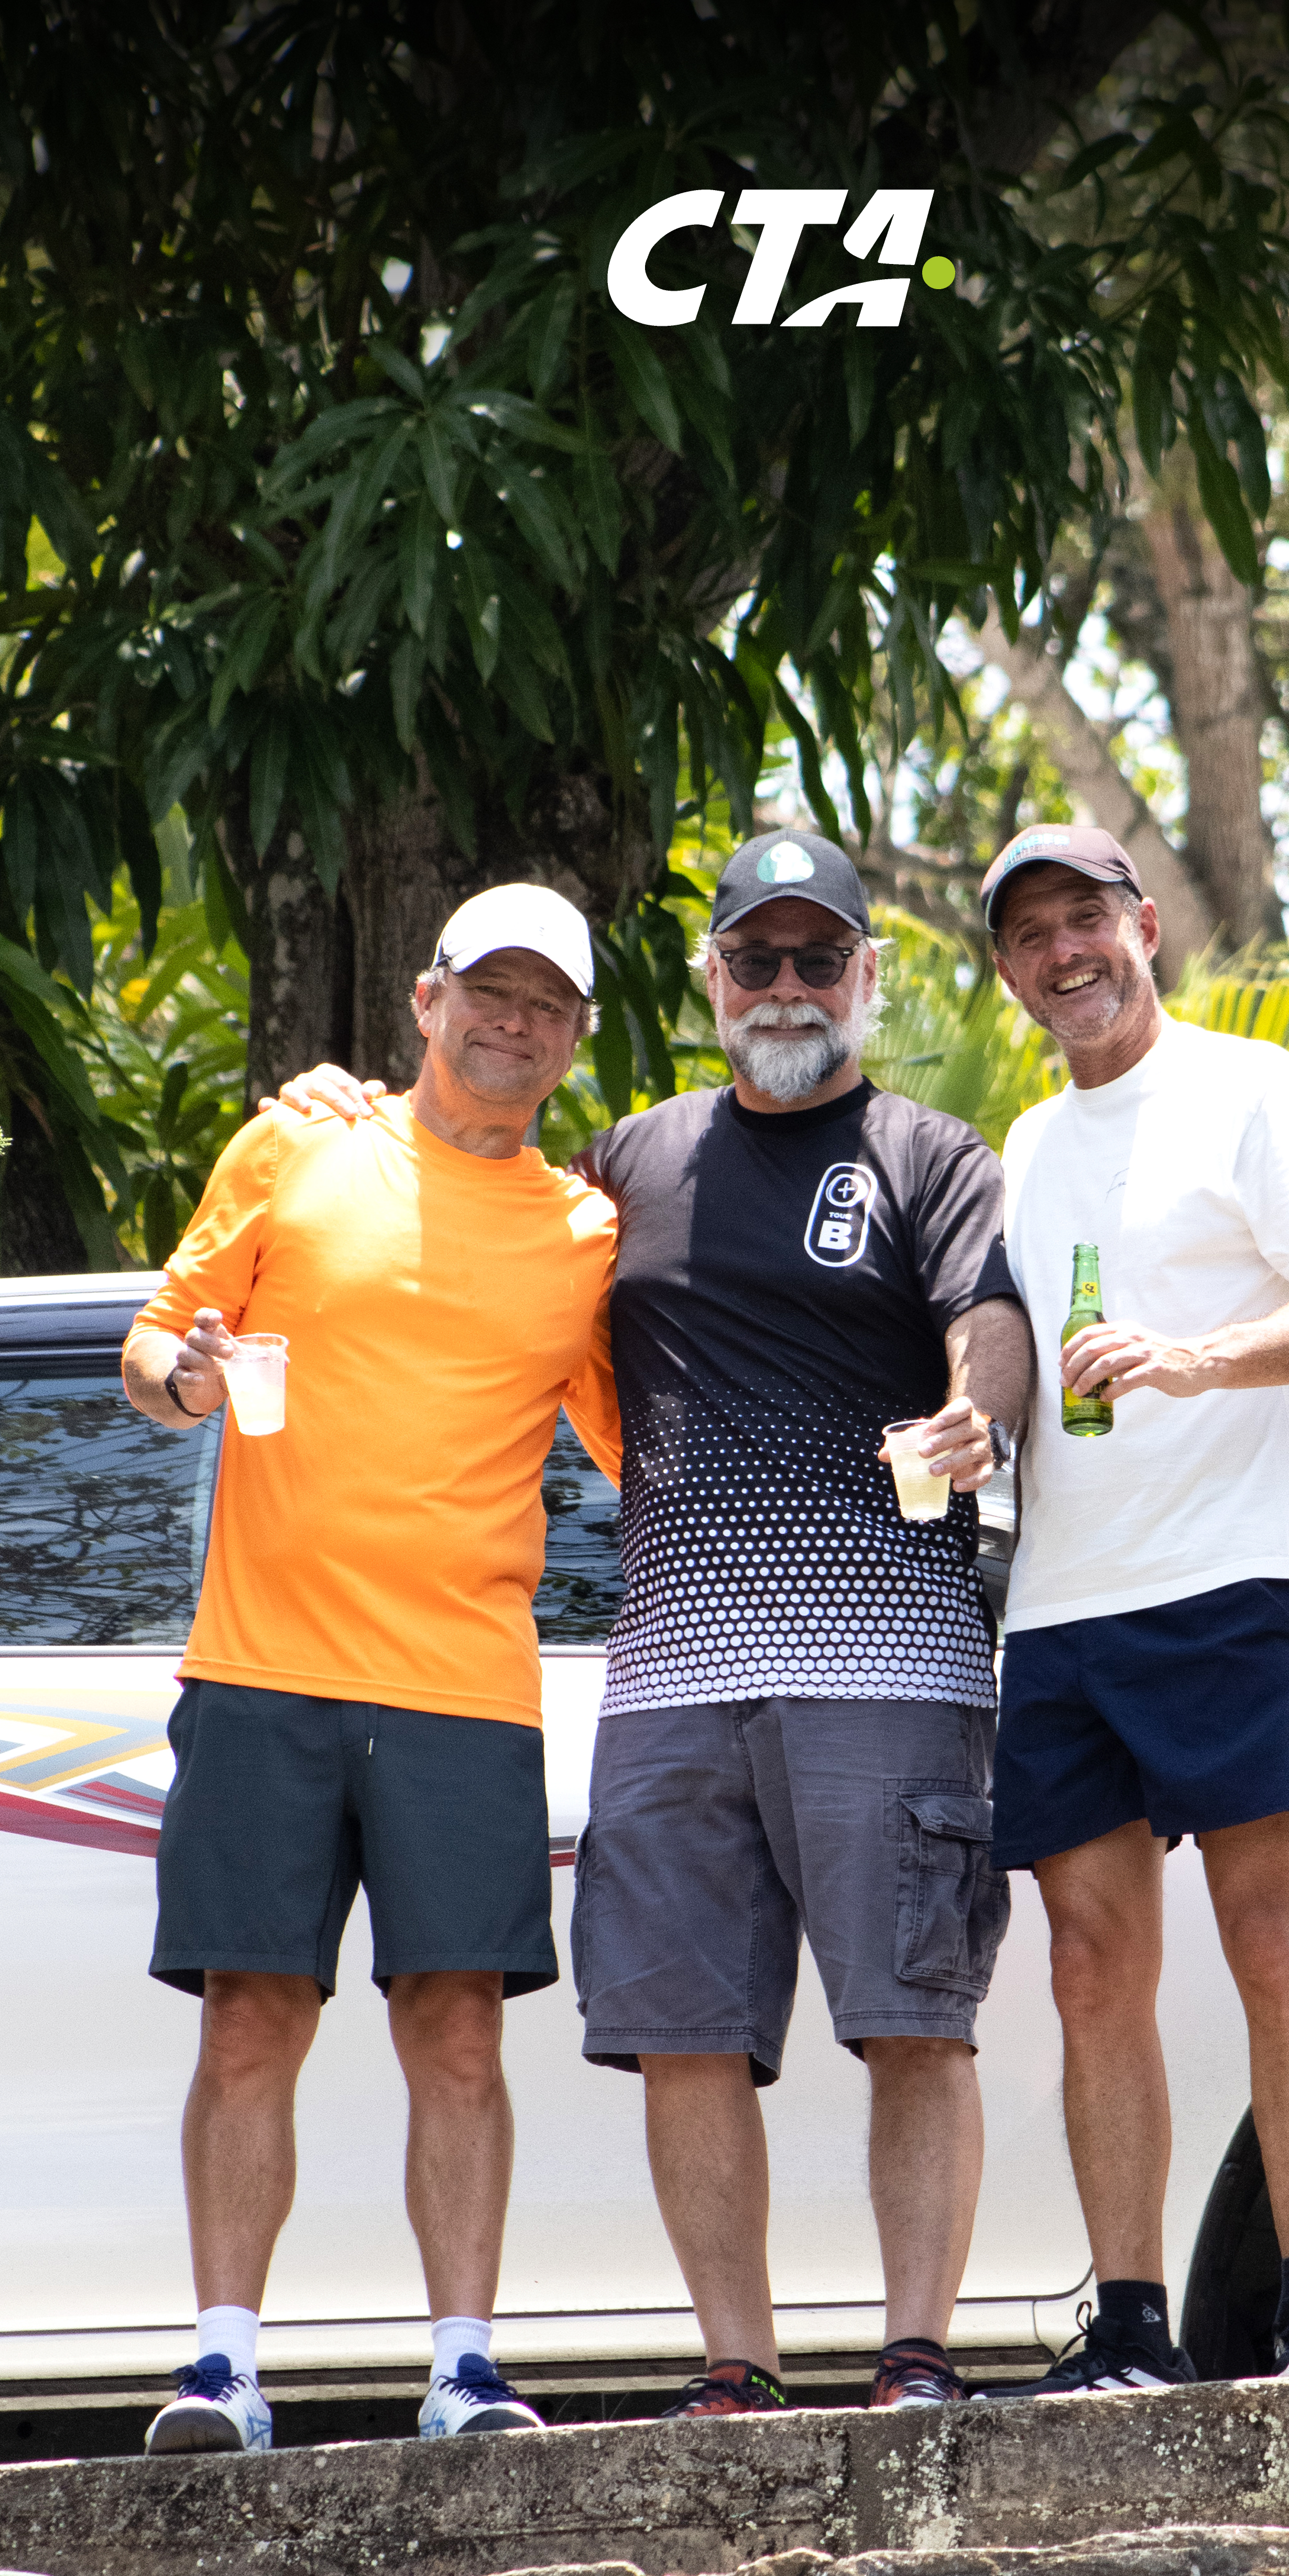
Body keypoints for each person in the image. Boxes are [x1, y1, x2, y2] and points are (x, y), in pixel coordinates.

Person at [274, 831, 1033, 2419]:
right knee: (688, 2040)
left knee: (912, 2023)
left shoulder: (926, 1152)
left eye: (818, 958)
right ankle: (736, 2369)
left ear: (866, 977)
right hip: (670, 1678)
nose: (785, 987)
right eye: (754, 957)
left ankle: (915, 2362)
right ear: (710, 979)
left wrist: (974, 1411)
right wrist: (333, 1111)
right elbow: (463, 1192)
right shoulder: (629, 1162)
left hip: (890, 1662)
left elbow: (992, 1319)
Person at [121, 884, 618, 2454]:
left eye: (546, 1002)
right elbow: (152, 1346)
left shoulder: (588, 1236)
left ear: (576, 1039)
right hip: (263, 1668)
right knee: (249, 2021)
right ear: (427, 1000)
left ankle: (466, 2373)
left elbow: (646, 1447)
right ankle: (220, 2370)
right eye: (489, 990)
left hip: (466, 1687)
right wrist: (186, 1372)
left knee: (458, 2032)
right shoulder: (298, 1145)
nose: (512, 1021)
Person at [978, 824, 1289, 2392]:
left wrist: (1198, 1356)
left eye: (1085, 917)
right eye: (1030, 935)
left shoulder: (1256, 1092)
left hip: (1237, 1578)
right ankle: (1132, 2330)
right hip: (1067, 1603)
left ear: (1144, 923)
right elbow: (1009, 1340)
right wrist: (971, 1418)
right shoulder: (1024, 1146)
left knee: (1272, 1943)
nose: (1063, 952)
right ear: (1009, 970)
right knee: (1090, 1968)